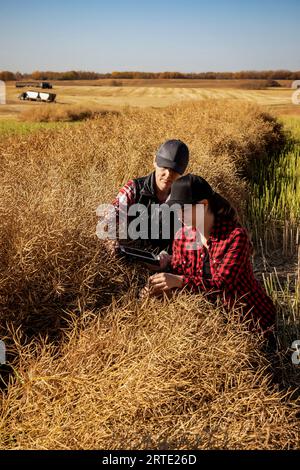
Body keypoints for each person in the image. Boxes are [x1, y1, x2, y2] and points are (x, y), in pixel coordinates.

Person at [145, 173, 276, 337]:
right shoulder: (182, 236)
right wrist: (160, 281)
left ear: (204, 205)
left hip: (249, 321)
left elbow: (222, 285)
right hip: (212, 319)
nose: (178, 214)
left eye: (183, 208)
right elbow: (179, 273)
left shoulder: (235, 237)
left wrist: (178, 280)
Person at [98, 139, 189, 260]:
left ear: (182, 172)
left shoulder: (185, 198)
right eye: (164, 167)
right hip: (132, 261)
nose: (168, 174)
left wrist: (171, 258)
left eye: (174, 171)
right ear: (155, 161)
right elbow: (109, 218)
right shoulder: (134, 189)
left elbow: (191, 240)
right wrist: (111, 241)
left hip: (168, 268)